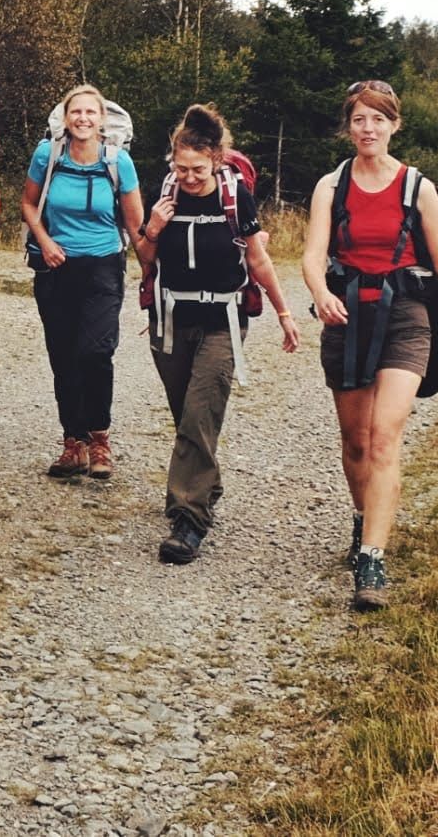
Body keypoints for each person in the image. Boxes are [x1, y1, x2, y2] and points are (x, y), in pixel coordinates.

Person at [300, 79, 438, 611]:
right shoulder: (330, 187)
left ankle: (373, 560)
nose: (368, 129)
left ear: (394, 124)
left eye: (378, 120)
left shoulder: (417, 188)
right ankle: (364, 521)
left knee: (384, 438)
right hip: (347, 312)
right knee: (355, 439)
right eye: (359, 119)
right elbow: (313, 256)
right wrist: (320, 293)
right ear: (349, 125)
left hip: (407, 316)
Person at [134, 104, 300, 564]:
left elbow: (256, 259)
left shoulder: (235, 196)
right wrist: (154, 227)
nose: (188, 178)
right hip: (170, 318)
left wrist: (284, 311)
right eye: (180, 168)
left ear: (217, 161)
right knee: (185, 413)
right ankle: (206, 483)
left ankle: (189, 518)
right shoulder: (164, 192)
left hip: (223, 321)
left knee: (200, 411)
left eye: (197, 170)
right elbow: (145, 257)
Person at [22, 85, 145, 480]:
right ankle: (72, 444)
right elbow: (28, 204)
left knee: (95, 352)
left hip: (103, 268)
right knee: (63, 357)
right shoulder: (48, 155)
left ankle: (99, 440)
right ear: (65, 116)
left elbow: (135, 223)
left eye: (91, 112)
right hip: (55, 268)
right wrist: (45, 241)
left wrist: (152, 275)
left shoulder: (118, 162)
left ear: (101, 119)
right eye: (76, 112)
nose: (83, 119)